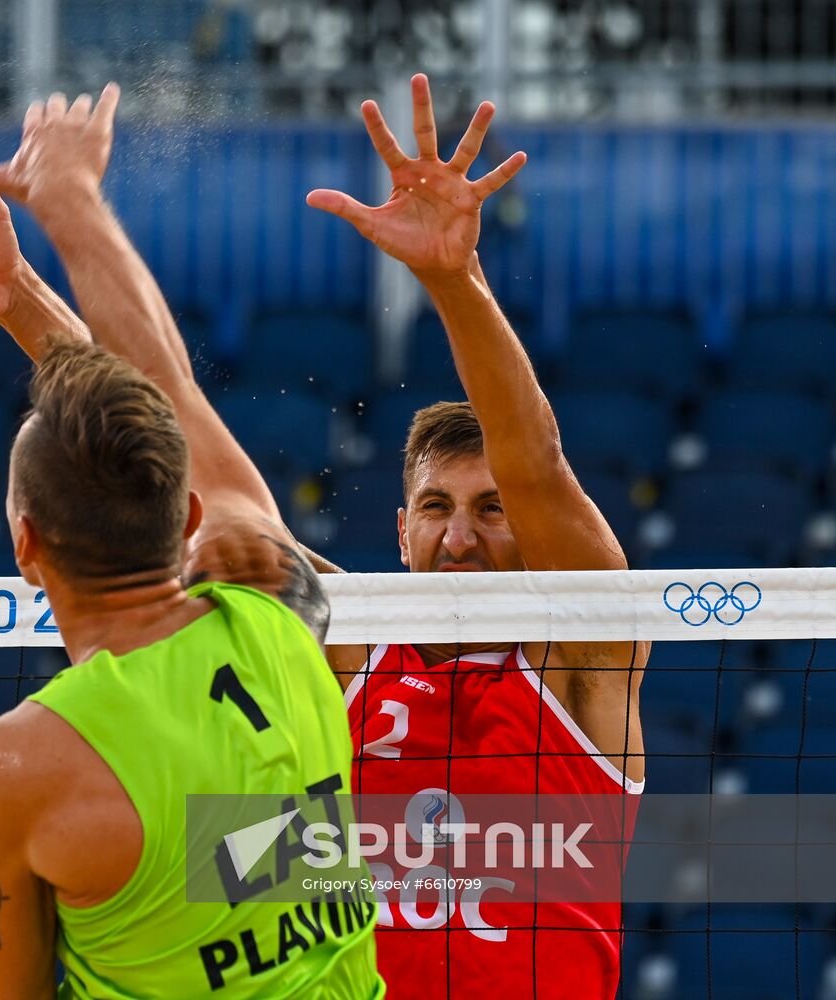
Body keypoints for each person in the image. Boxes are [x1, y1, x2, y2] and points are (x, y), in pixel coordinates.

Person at [0, 98, 384, 998]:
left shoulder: (10, 768)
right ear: (185, 519)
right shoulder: (282, 616)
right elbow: (163, 388)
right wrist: (65, 205)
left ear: (24, 544)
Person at [301, 75, 648, 998]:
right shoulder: (343, 645)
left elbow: (535, 460)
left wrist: (451, 280)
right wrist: (24, 301)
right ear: (399, 529)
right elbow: (187, 495)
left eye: (490, 509)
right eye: (436, 510)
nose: (460, 538)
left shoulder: (582, 651)